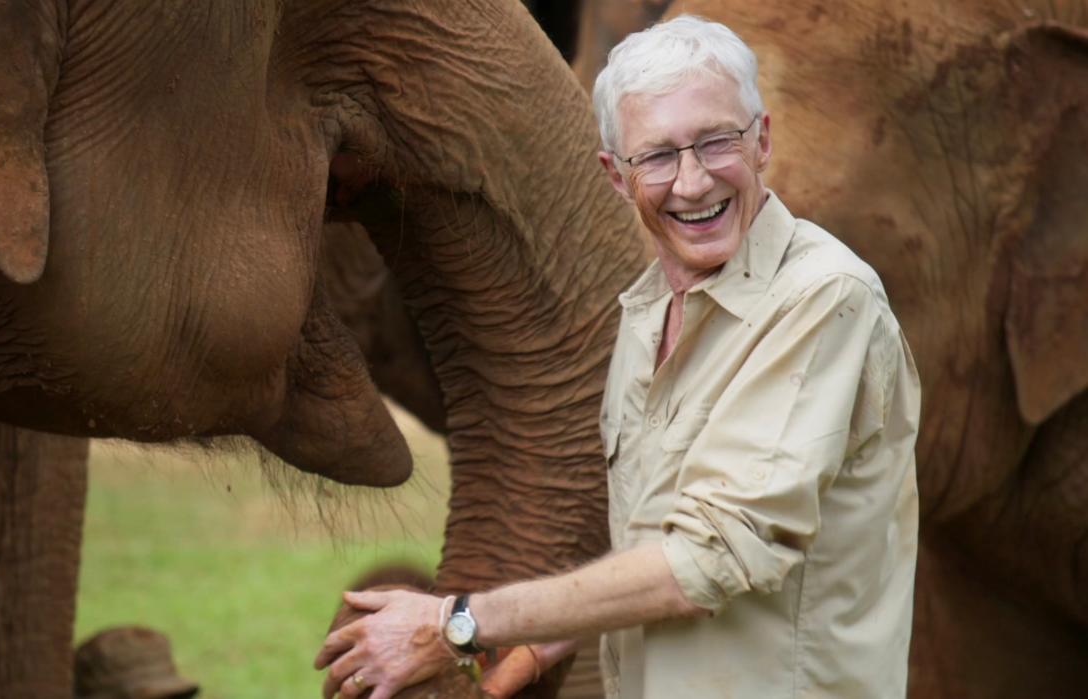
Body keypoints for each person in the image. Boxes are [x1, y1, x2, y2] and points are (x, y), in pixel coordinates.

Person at [314, 14, 920, 699]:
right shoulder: (646, 311)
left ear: (762, 142)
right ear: (613, 175)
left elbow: (709, 558)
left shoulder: (824, 301)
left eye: (716, 142)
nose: (692, 183)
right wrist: (534, 649)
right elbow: (652, 537)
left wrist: (457, 621)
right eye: (657, 156)